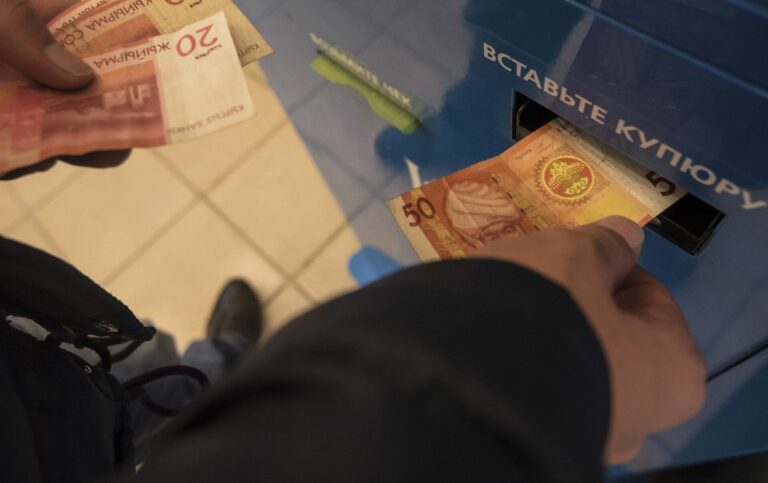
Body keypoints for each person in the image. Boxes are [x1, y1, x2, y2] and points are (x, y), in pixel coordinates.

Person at [0, 1, 706, 482]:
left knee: (149, 376)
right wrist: (530, 364)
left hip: (43, 353)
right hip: (52, 431)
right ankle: (223, 376)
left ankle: (221, 368)